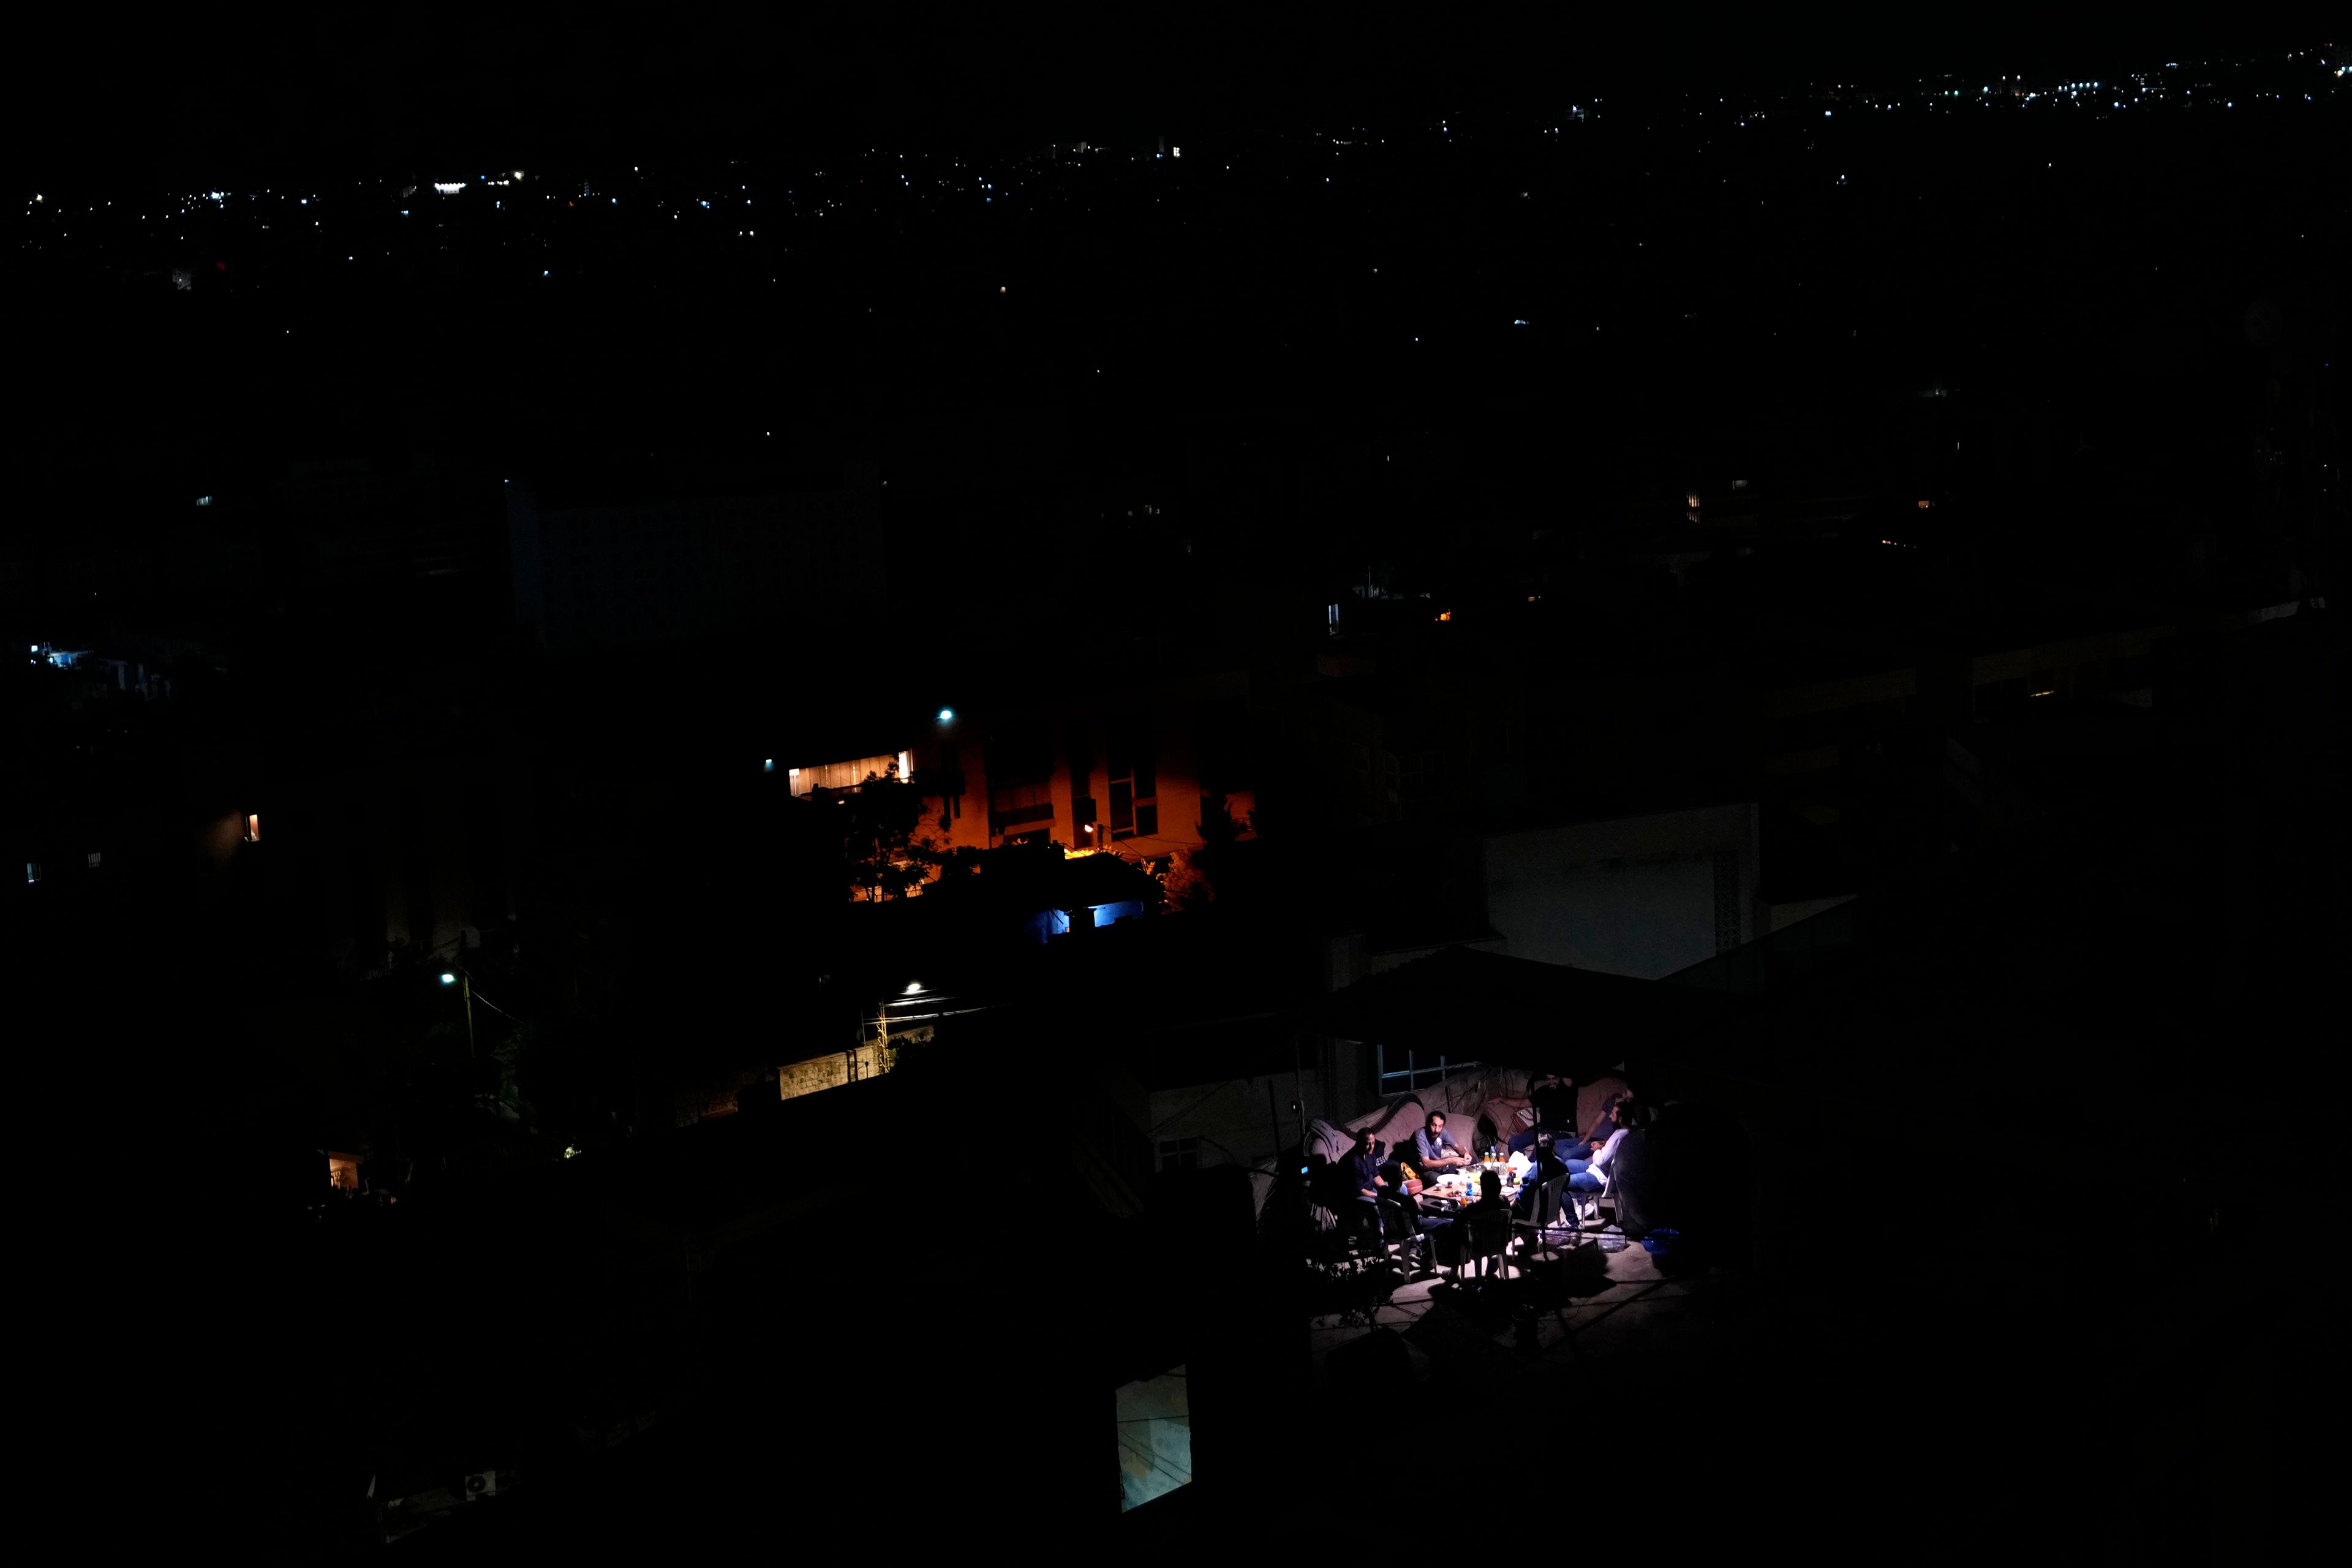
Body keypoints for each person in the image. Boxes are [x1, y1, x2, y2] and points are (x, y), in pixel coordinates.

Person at [1562, 1098, 1635, 1226]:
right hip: (1598, 1170)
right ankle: (1581, 1202)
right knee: (1568, 1164)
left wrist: (1596, 1150)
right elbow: (1610, 1148)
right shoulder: (1627, 1133)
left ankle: (1579, 1212)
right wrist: (1602, 1145)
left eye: (1612, 1114)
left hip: (1600, 1177)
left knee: (1561, 1183)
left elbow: (1601, 1160)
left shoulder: (1619, 1137)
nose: (1609, 1117)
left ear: (1620, 1119)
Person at [1509, 1071, 1581, 1157]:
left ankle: (1532, 1168)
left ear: (1561, 1078)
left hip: (1564, 1132)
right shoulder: (1543, 1091)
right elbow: (1525, 1103)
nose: (1551, 1082)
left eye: (1554, 1078)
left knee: (1541, 1144)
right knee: (1514, 1142)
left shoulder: (1569, 1090)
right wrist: (1501, 1100)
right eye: (1549, 1079)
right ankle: (1525, 1166)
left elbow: (1572, 1082)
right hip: (1543, 1129)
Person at [1412, 1112, 1472, 1176]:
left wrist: (1466, 1153)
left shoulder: (1443, 1132)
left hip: (1438, 1166)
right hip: (1423, 1169)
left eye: (1440, 1126)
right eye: (1434, 1125)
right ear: (1428, 1124)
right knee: (1436, 1178)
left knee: (1471, 1163)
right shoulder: (1420, 1135)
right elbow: (1426, 1163)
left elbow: (1457, 1147)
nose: (1437, 1130)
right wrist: (1451, 1160)